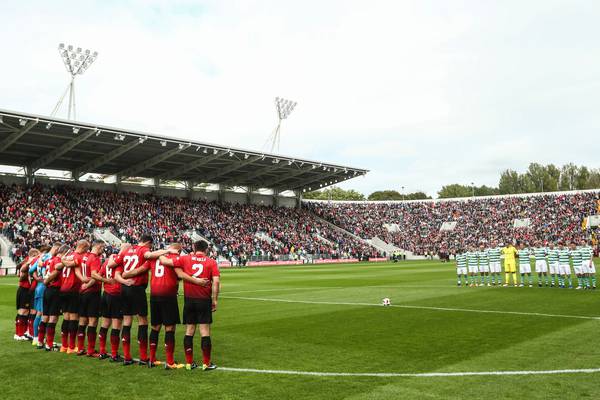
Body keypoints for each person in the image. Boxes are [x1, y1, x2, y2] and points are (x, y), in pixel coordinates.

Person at [160, 240, 220, 371]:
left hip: (189, 300)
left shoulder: (185, 258)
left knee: (189, 331)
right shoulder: (212, 262)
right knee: (204, 331)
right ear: (206, 250)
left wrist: (163, 251)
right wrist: (214, 300)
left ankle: (189, 363)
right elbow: (216, 282)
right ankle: (206, 364)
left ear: (194, 248)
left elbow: (165, 261)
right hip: (204, 299)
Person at [108, 234, 169, 366]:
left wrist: (124, 274)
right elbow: (148, 256)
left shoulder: (126, 251)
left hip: (124, 288)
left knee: (127, 321)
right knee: (142, 320)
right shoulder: (143, 250)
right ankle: (143, 357)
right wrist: (167, 251)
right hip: (137, 288)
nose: (150, 248)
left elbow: (111, 264)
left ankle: (127, 357)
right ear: (148, 243)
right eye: (150, 246)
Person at [93, 244, 131, 362]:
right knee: (116, 325)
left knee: (104, 324)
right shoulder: (120, 261)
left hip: (105, 295)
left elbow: (98, 276)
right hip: (116, 295)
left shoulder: (107, 262)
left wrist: (106, 281)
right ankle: (114, 354)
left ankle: (102, 351)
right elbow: (118, 275)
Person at [59, 240, 90, 353]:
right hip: (72, 289)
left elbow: (61, 265)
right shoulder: (78, 256)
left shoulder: (69, 255)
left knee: (66, 317)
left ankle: (64, 346)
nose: (88, 249)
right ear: (82, 246)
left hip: (63, 289)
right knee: (74, 318)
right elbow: (69, 265)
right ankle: (71, 347)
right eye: (87, 247)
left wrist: (62, 259)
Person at [39, 244, 70, 351]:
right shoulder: (57, 260)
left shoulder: (50, 260)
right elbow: (56, 271)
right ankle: (49, 344)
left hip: (47, 290)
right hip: (54, 290)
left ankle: (40, 341)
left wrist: (46, 281)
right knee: (53, 318)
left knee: (45, 316)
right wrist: (47, 281)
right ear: (64, 252)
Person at [77, 241, 105, 356]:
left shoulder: (85, 256)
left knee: (83, 320)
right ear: (98, 246)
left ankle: (80, 348)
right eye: (103, 247)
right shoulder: (95, 259)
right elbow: (94, 275)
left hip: (82, 293)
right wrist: (88, 285)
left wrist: (83, 282)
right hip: (92, 292)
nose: (103, 249)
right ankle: (90, 350)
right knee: (93, 321)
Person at [15, 249, 38, 340]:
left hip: (26, 290)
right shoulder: (27, 262)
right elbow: (20, 276)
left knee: (26, 312)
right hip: (24, 289)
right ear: (33, 254)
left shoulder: (26, 261)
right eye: (37, 254)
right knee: (23, 312)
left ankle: (23, 333)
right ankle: (19, 334)